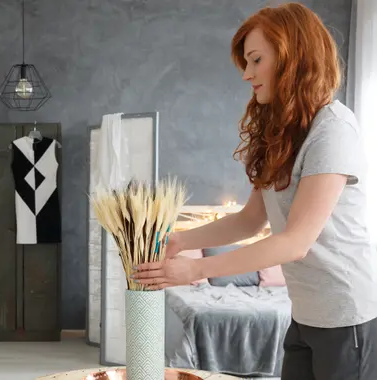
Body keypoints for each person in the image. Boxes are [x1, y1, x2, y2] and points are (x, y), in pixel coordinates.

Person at [132, 3, 377, 380]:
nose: (247, 74)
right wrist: (180, 240)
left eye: (255, 60)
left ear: (292, 57)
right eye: (246, 63)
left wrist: (196, 268)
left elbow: (295, 242)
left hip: (346, 318)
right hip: (305, 312)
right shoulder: (281, 132)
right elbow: (250, 220)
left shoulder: (334, 130)